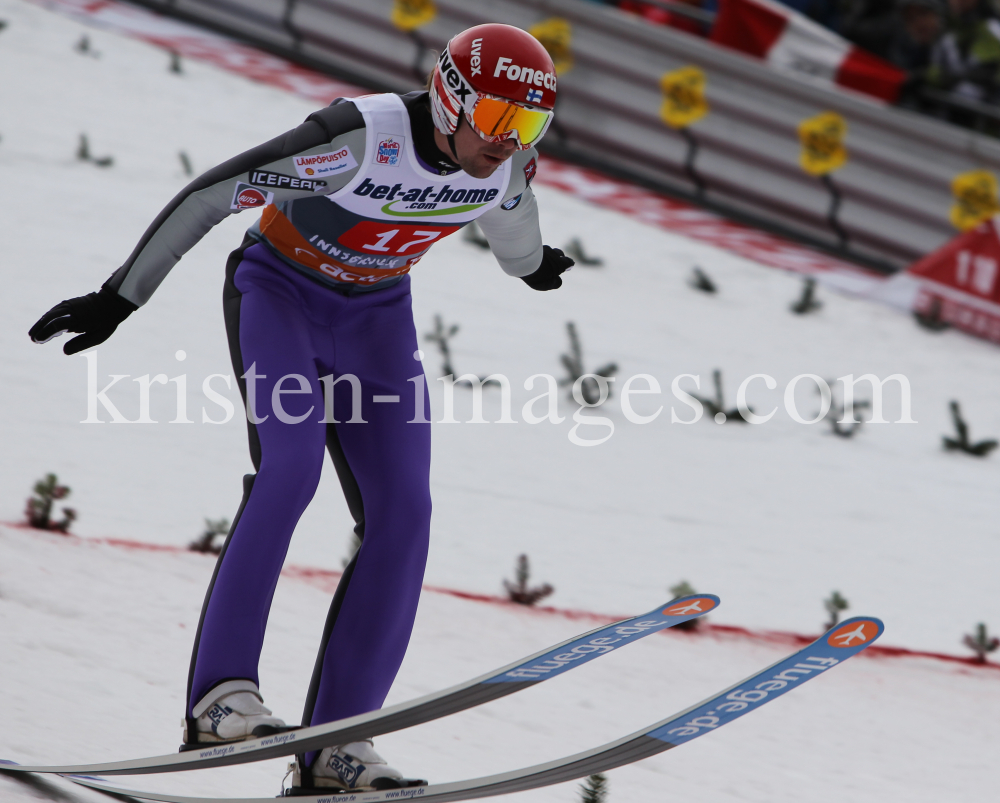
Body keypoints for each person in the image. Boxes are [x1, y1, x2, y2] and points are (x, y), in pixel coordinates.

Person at [28, 23, 574, 793]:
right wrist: (121, 296)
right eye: (496, 118)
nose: (507, 141)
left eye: (529, 125)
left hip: (377, 322)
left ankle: (338, 748)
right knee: (290, 469)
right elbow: (215, 192)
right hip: (280, 294)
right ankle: (219, 698)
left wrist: (534, 267)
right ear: (449, 98)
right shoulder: (360, 138)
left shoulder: (503, 165)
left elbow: (514, 227)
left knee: (406, 511)